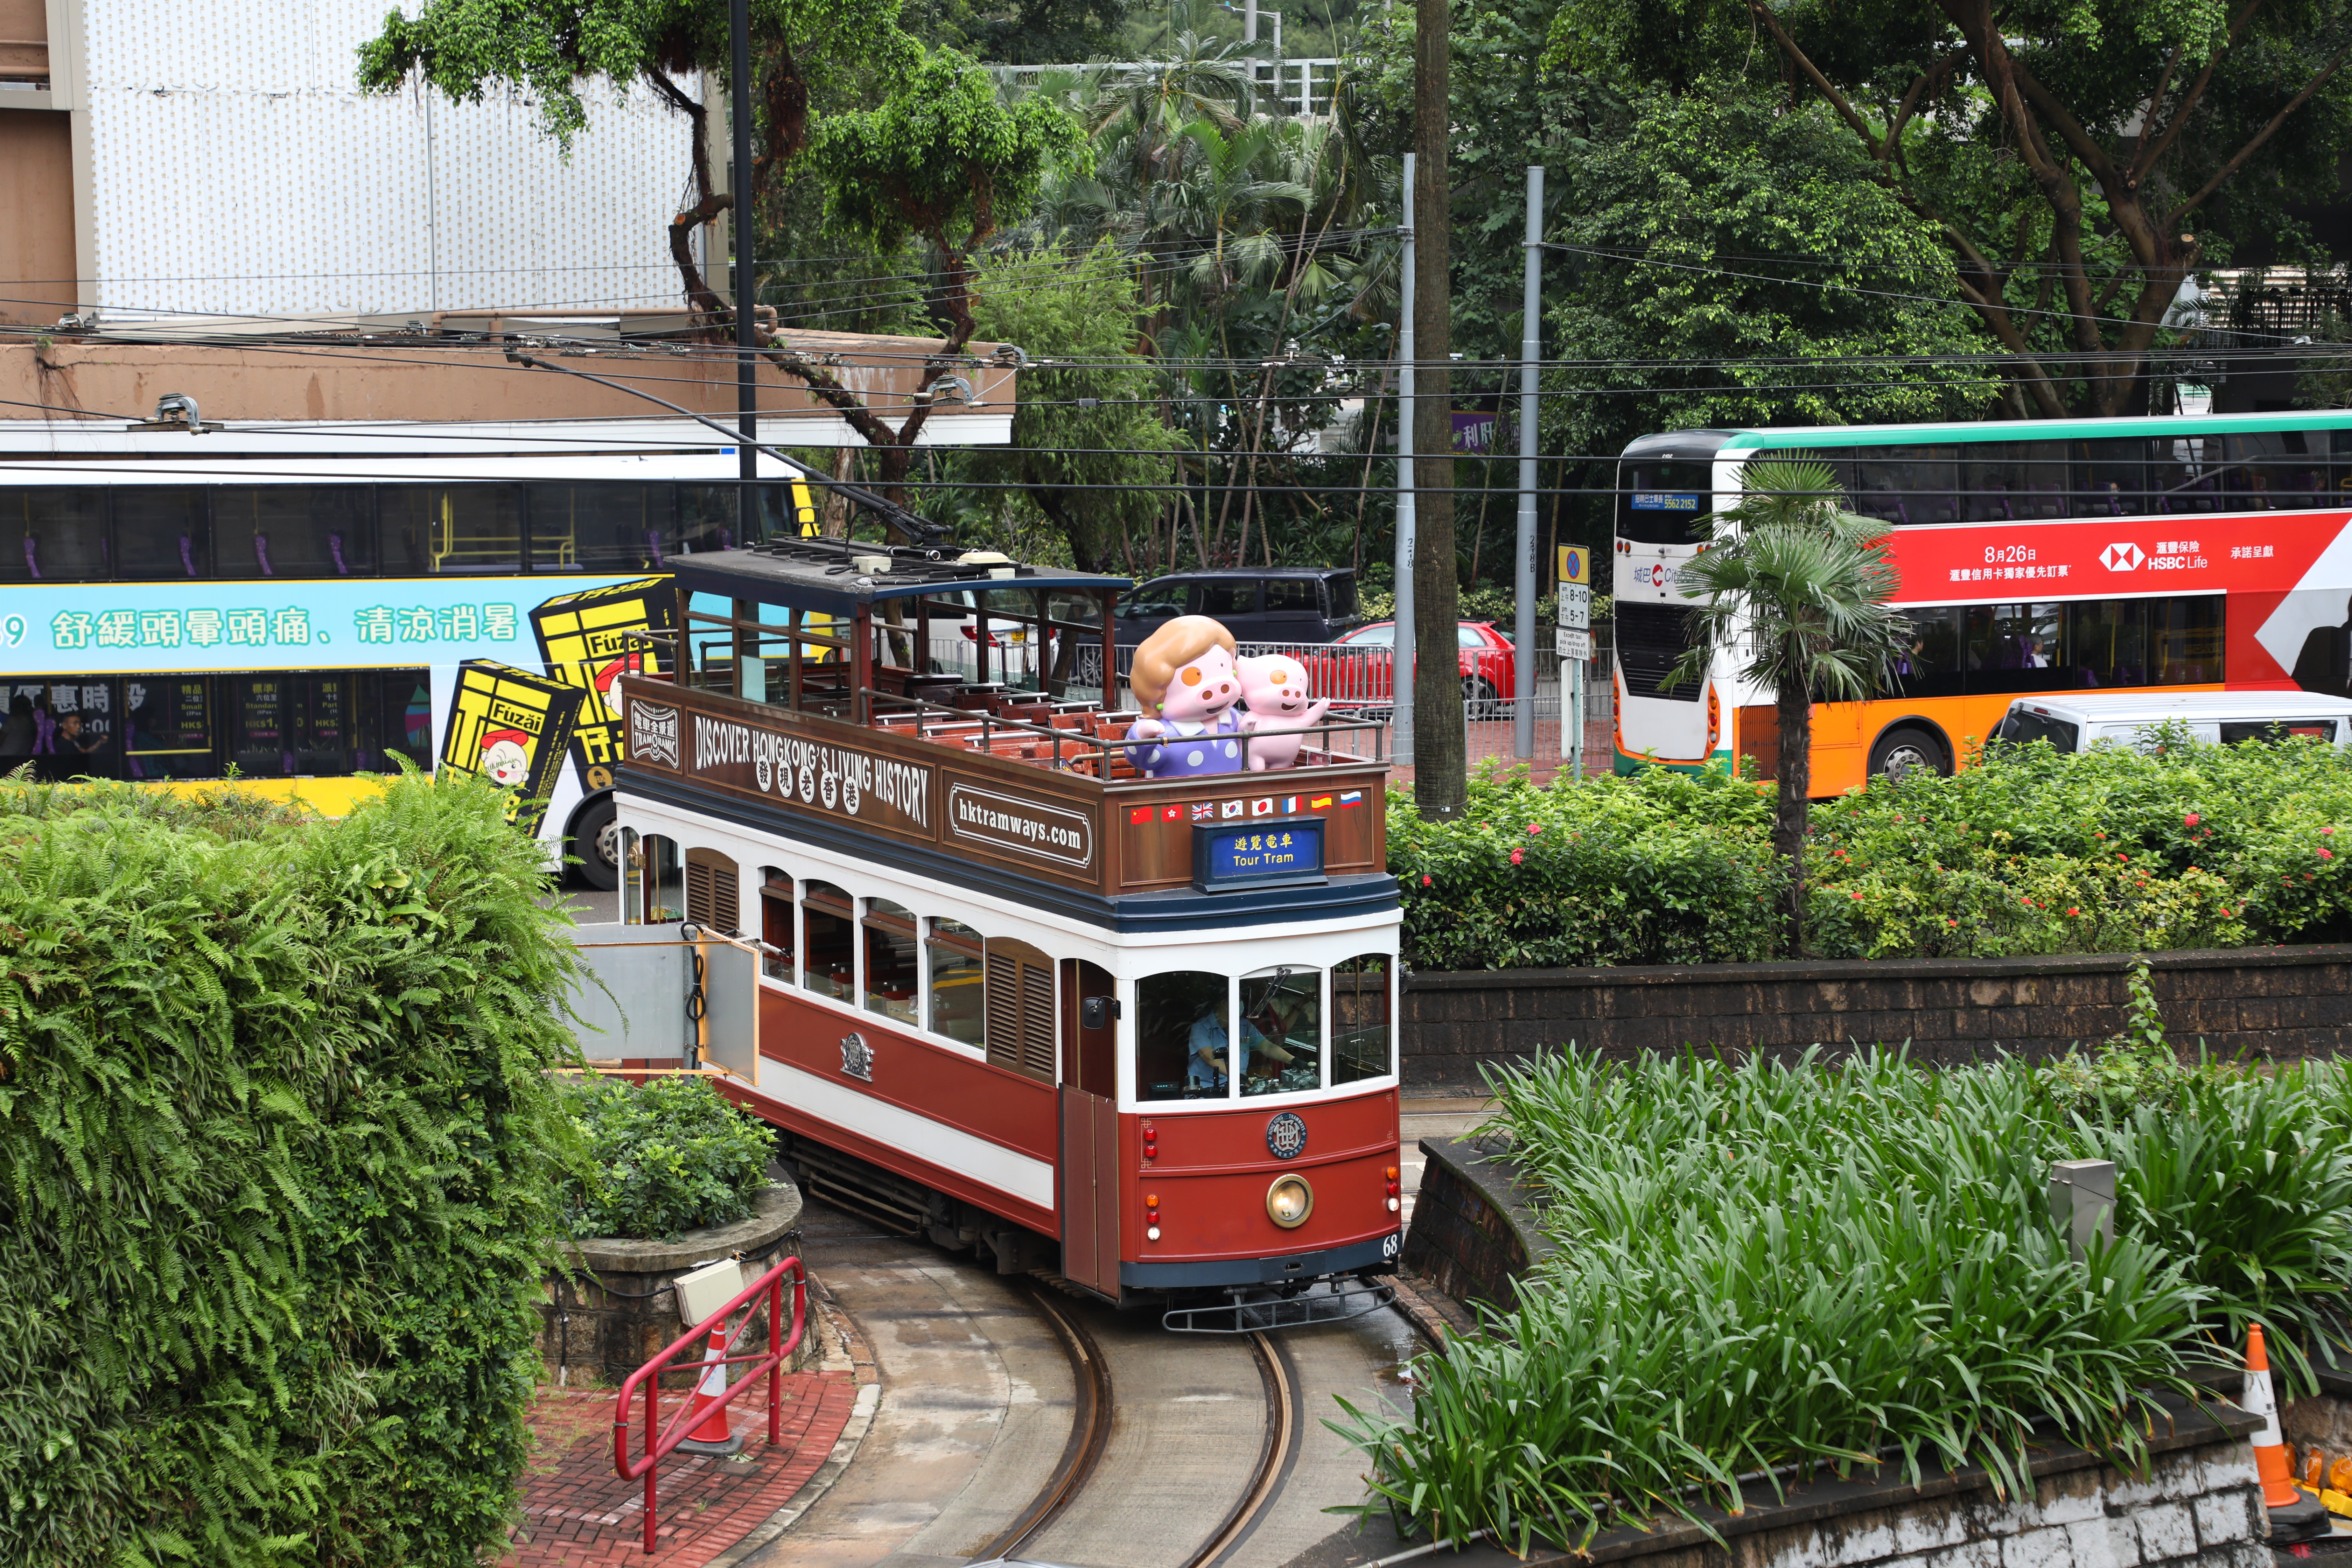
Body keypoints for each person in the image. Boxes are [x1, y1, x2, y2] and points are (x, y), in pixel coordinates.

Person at [1186, 997, 1295, 1091]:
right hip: (1206, 1092)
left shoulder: (1244, 1026)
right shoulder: (1201, 1028)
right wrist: (1235, 1076)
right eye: (1239, 999)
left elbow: (1268, 1047)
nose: (1242, 1003)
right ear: (1225, 1003)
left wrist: (1294, 1061)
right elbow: (1210, 1057)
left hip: (1239, 1090)